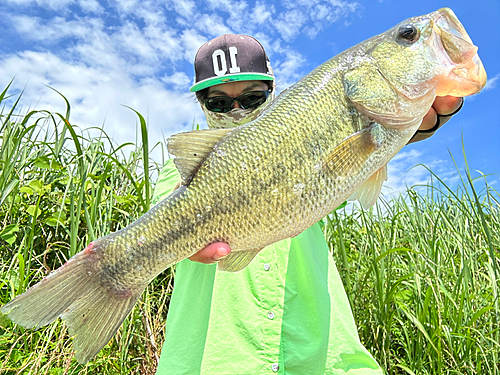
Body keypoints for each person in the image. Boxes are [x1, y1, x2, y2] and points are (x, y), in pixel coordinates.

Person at [152, 34, 463, 375]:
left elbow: (353, 154)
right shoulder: (178, 172)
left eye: (252, 97)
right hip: (210, 362)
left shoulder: (310, 140)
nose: (237, 110)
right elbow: (163, 218)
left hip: (321, 360)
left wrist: (410, 120)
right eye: (219, 103)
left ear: (272, 93)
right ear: (201, 104)